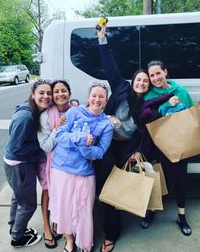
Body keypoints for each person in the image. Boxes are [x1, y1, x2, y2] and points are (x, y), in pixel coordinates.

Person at [96, 27, 150, 252]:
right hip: (106, 142)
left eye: (145, 81)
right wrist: (101, 38)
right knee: (99, 185)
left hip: (126, 148)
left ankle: (111, 234)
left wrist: (137, 151)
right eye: (139, 79)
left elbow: (147, 132)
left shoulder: (148, 104)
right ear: (133, 80)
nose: (141, 83)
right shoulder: (120, 87)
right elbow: (109, 65)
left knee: (114, 187)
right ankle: (87, 228)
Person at [48, 83, 114, 252]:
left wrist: (84, 148)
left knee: (84, 209)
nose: (97, 99)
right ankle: (69, 240)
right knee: (66, 207)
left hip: (85, 170)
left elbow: (99, 152)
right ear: (88, 97)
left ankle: (84, 242)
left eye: (101, 96)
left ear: (106, 100)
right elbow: (60, 135)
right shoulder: (73, 112)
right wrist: (81, 138)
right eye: (94, 95)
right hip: (62, 167)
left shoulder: (106, 124)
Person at [140, 60, 194, 236]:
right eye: (152, 75)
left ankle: (181, 216)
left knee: (180, 180)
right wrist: (166, 105)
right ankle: (152, 211)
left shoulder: (182, 92)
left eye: (158, 73)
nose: (155, 78)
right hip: (158, 145)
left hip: (180, 143)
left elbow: (192, 116)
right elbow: (149, 117)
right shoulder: (149, 96)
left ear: (165, 72)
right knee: (157, 179)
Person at [4, 79, 52, 247]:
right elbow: (16, 147)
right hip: (19, 164)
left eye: (48, 93)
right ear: (32, 95)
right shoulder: (25, 118)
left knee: (18, 199)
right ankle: (18, 238)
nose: (46, 96)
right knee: (28, 204)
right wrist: (40, 147)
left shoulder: (35, 111)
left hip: (19, 163)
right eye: (41, 93)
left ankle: (15, 228)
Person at [37, 80, 71, 248]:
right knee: (48, 191)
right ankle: (47, 227)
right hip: (49, 161)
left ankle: (59, 222)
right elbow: (46, 146)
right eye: (56, 91)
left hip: (70, 163)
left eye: (63, 90)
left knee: (66, 194)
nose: (60, 94)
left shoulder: (75, 111)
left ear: (69, 94)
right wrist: (56, 128)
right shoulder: (45, 116)